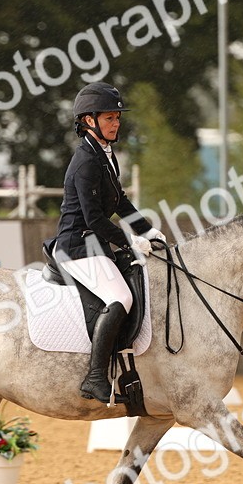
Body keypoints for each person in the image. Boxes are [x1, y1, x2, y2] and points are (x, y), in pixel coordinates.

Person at [52, 82, 166, 402]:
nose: (117, 123)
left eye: (117, 117)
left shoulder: (105, 153)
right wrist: (130, 243)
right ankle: (96, 376)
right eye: (109, 118)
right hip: (77, 244)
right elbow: (94, 220)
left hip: (95, 242)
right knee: (120, 298)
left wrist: (146, 230)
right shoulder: (86, 161)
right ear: (89, 120)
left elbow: (118, 201)